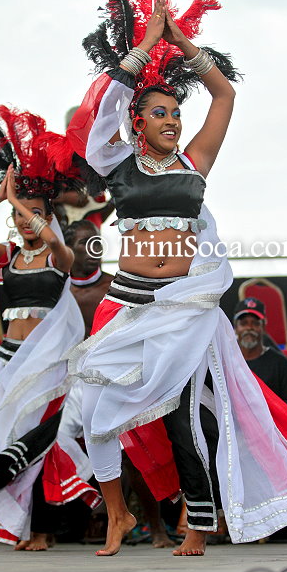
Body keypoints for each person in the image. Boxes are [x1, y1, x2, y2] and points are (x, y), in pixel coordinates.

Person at [54, 0, 287, 557]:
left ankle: (198, 523)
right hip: (128, 304)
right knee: (97, 412)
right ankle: (117, 513)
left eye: (175, 113)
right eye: (159, 113)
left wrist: (181, 41)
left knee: (184, 418)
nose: (172, 121)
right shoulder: (116, 163)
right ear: (138, 122)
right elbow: (103, 112)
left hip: (183, 307)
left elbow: (224, 95)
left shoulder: (195, 161)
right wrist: (146, 45)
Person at [0, 106, 101, 551]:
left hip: (46, 363)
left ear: (48, 216)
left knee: (41, 442)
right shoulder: (11, 258)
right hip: (7, 360)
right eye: (18, 215)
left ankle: (43, 530)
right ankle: (17, 526)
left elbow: (53, 239)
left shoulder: (59, 256)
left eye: (32, 214)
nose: (22, 221)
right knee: (9, 439)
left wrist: (20, 202)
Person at [62, 219, 176, 547]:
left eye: (97, 241)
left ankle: (155, 527)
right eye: (84, 242)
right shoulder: (59, 291)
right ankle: (87, 517)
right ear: (68, 248)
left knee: (132, 452)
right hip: (68, 382)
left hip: (114, 377)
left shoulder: (114, 287)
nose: (93, 248)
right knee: (52, 443)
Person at [234, 298, 287, 404]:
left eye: (255, 323)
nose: (249, 328)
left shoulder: (282, 365)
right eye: (244, 323)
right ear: (235, 328)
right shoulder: (226, 362)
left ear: (263, 327)